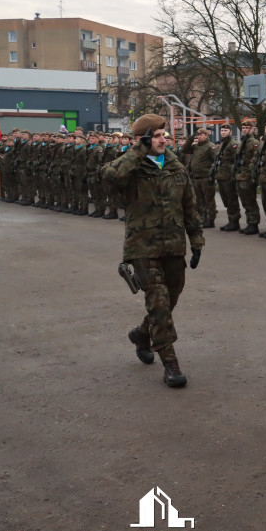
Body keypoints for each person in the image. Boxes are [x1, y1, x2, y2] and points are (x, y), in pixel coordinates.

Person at [101, 114, 204, 388]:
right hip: (143, 247)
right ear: (142, 139)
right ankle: (170, 363)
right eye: (156, 136)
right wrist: (139, 151)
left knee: (170, 301)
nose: (162, 140)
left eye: (163, 135)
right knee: (158, 303)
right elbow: (109, 176)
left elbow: (189, 206)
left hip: (173, 246)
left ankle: (141, 334)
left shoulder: (175, 165)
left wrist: (196, 241)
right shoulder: (131, 165)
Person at [183, 128, 216, 228]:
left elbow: (215, 161)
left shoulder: (210, 146)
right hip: (196, 177)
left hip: (206, 177)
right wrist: (191, 138)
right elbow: (184, 149)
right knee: (199, 200)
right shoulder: (196, 146)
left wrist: (212, 174)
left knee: (208, 199)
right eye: (198, 135)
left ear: (206, 135)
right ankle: (202, 218)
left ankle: (210, 219)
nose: (199, 136)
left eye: (201, 135)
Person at [235, 118, 262, 235]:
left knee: (250, 201)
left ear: (252, 129)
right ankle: (249, 222)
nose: (245, 130)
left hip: (248, 176)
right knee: (244, 201)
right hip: (240, 175)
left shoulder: (254, 143)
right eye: (243, 128)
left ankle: (253, 223)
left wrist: (252, 175)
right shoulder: (241, 143)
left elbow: (255, 160)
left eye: (247, 128)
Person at [213, 124, 241, 232]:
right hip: (221, 175)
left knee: (231, 199)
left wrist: (233, 174)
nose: (223, 132)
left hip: (229, 176)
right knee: (226, 199)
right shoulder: (223, 143)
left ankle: (234, 221)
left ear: (230, 132)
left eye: (225, 130)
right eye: (222, 130)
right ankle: (231, 220)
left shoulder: (233, 144)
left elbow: (236, 160)